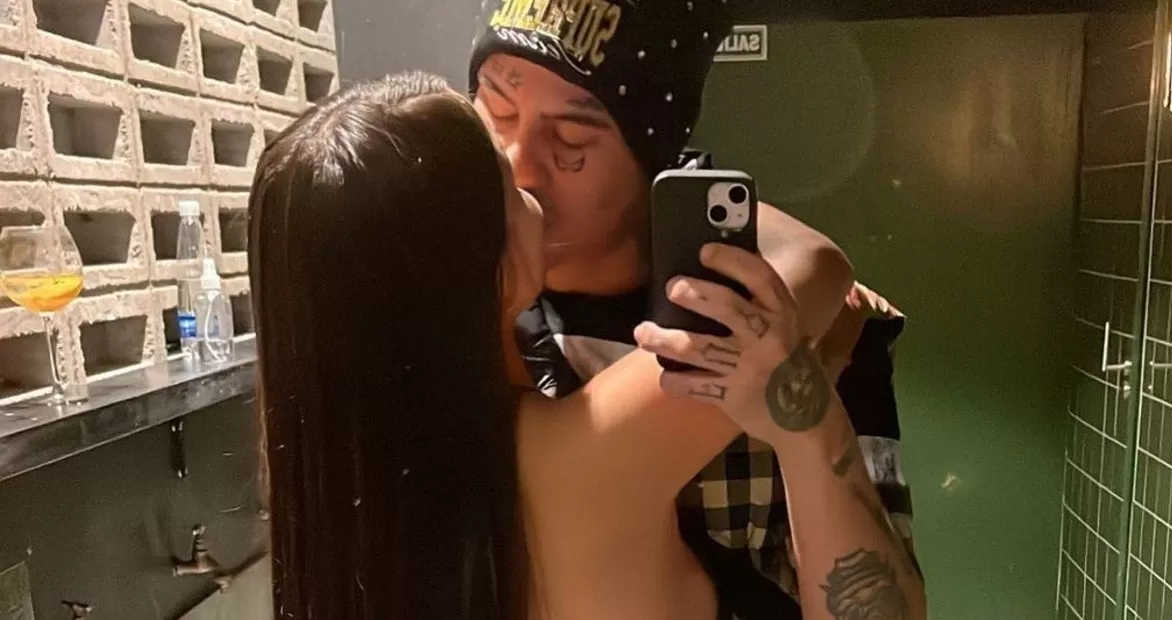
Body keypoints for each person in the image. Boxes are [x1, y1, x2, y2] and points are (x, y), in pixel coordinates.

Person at [248, 71, 924, 620]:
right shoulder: (579, 459)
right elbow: (814, 265)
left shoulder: (326, 491)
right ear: (483, 268)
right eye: (501, 165)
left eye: (570, 137)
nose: (528, 171)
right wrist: (666, 170)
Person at [467, 0, 923, 607]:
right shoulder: (455, 319)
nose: (517, 166)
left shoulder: (795, 327)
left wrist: (808, 430)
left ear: (654, 162)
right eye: (496, 111)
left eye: (571, 141)